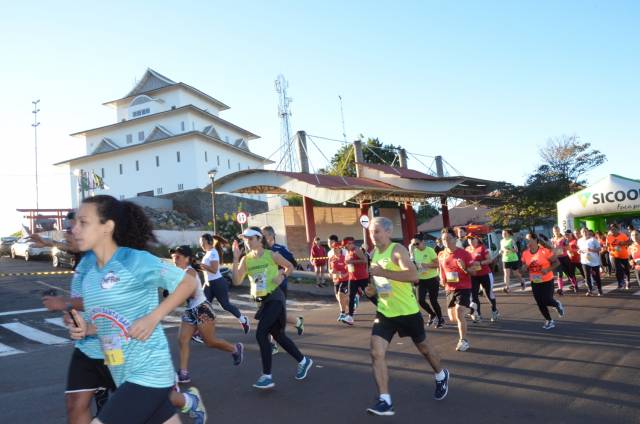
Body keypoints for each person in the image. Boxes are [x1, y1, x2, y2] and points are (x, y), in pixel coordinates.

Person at [66, 195, 206, 423]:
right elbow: (108, 323)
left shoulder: (133, 260)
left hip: (149, 372)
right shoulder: (91, 278)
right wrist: (86, 330)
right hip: (122, 372)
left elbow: (187, 283)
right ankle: (191, 403)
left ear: (107, 227)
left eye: (84, 222)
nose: (74, 229)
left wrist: (154, 317)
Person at [367, 217, 449, 416]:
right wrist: (373, 291)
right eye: (371, 232)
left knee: (424, 349)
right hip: (386, 311)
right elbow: (380, 281)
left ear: (388, 232)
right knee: (376, 353)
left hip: (407, 312)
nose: (373, 235)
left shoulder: (398, 250)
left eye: (377, 231)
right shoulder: (374, 253)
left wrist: (383, 272)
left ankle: (441, 374)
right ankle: (385, 401)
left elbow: (413, 276)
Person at [232, 227, 313, 389]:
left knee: (261, 334)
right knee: (278, 336)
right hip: (262, 302)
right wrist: (235, 259)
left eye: (250, 239)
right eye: (245, 239)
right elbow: (236, 281)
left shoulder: (272, 255)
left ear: (259, 239)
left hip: (275, 298)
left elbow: (289, 266)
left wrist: (281, 275)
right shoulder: (245, 260)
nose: (247, 242)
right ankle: (304, 361)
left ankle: (267, 376)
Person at [170, 245, 244, 384]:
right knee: (182, 339)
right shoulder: (180, 273)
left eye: (178, 256)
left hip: (202, 309)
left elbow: (190, 293)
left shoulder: (190, 272)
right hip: (191, 310)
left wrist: (173, 292)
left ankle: (235, 348)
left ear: (187, 258)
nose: (175, 259)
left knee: (210, 342)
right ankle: (184, 373)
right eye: (173, 257)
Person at [200, 233, 250, 333]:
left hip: (217, 283)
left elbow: (214, 270)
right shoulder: (208, 253)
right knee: (202, 306)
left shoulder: (213, 253)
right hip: (208, 284)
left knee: (225, 305)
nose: (201, 244)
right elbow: (205, 269)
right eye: (200, 242)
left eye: (202, 242)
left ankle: (243, 320)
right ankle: (202, 331)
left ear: (209, 242)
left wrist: (201, 265)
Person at [438, 228, 477, 351]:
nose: (446, 241)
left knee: (460, 312)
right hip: (450, 288)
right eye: (444, 239)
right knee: (452, 318)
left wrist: (464, 267)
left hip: (464, 287)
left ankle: (463, 341)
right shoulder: (441, 254)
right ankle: (471, 309)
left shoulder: (465, 254)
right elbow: (441, 269)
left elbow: (474, 272)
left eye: (449, 238)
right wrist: (441, 280)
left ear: (455, 239)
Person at [261, 226, 304, 336]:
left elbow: (293, 264)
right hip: (265, 286)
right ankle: (297, 321)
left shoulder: (280, 249)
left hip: (279, 286)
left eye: (263, 235)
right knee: (270, 313)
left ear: (271, 236)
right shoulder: (261, 251)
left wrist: (281, 274)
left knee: (275, 313)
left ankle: (274, 341)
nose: (261, 237)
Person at [520, 232, 565, 330]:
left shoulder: (544, 251)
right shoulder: (525, 253)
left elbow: (557, 262)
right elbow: (523, 267)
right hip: (535, 281)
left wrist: (547, 270)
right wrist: (524, 268)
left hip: (547, 280)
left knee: (546, 300)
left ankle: (556, 304)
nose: (527, 242)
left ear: (535, 240)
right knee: (539, 302)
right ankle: (549, 320)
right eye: (526, 240)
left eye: (529, 239)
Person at [412, 234, 444, 328]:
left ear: (423, 242)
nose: (416, 246)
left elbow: (438, 264)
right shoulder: (415, 251)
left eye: (417, 243)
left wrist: (427, 265)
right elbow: (415, 264)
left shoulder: (429, 250)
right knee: (420, 300)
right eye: (414, 244)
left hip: (432, 279)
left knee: (433, 300)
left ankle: (440, 318)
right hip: (421, 279)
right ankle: (432, 314)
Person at [467, 235, 499, 323]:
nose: (470, 241)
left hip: (485, 274)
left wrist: (480, 262)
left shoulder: (482, 248)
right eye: (469, 239)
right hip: (474, 276)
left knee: (488, 294)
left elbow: (489, 260)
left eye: (472, 239)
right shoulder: (467, 249)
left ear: (477, 239)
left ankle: (494, 310)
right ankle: (478, 315)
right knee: (474, 296)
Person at [344, 237, 371, 325]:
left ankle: (383, 309)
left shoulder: (357, 250)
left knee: (369, 294)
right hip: (352, 277)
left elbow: (364, 260)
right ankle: (350, 316)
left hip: (362, 277)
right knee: (350, 296)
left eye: (346, 245)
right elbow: (349, 263)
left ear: (350, 244)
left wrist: (352, 261)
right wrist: (347, 265)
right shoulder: (348, 252)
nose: (345, 247)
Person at [328, 240, 350, 323]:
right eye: (333, 248)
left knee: (341, 295)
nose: (333, 250)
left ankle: (343, 313)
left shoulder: (344, 258)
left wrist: (344, 275)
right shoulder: (331, 258)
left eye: (335, 248)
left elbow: (350, 270)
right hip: (336, 280)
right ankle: (351, 307)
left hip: (345, 279)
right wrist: (332, 272)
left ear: (339, 249)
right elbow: (330, 270)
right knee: (339, 298)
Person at [551, 225, 577, 295]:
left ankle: (575, 285)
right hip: (557, 259)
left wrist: (562, 249)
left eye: (557, 230)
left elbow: (569, 248)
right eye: (554, 231)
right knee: (559, 274)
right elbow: (551, 249)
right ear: (553, 232)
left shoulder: (564, 239)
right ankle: (560, 289)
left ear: (559, 231)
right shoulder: (552, 240)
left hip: (564, 258)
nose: (556, 232)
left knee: (569, 273)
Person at [578, 229, 603, 296]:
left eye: (585, 231)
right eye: (583, 232)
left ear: (588, 232)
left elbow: (599, 249)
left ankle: (599, 289)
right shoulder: (579, 240)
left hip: (594, 261)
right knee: (587, 276)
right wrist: (579, 251)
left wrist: (591, 250)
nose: (584, 233)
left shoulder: (593, 240)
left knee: (596, 276)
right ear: (581, 233)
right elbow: (580, 249)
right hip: (584, 260)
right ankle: (590, 290)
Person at [607, 224, 632, 290]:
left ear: (618, 230)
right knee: (617, 270)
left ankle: (628, 281)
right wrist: (611, 249)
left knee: (626, 269)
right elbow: (608, 246)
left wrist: (622, 243)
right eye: (611, 229)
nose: (613, 230)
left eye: (614, 229)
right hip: (615, 255)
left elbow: (629, 242)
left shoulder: (623, 235)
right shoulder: (609, 237)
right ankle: (620, 283)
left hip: (624, 255)